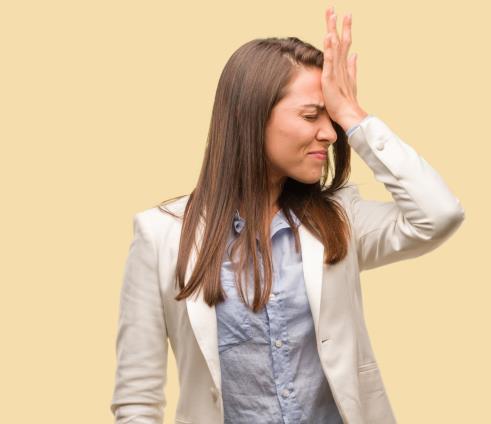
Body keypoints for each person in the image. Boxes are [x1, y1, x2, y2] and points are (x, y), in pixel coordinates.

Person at [110, 6, 464, 424]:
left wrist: (354, 117)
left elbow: (439, 214)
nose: (329, 133)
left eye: (331, 118)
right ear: (252, 117)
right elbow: (137, 401)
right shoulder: (159, 236)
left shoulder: (339, 219)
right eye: (312, 115)